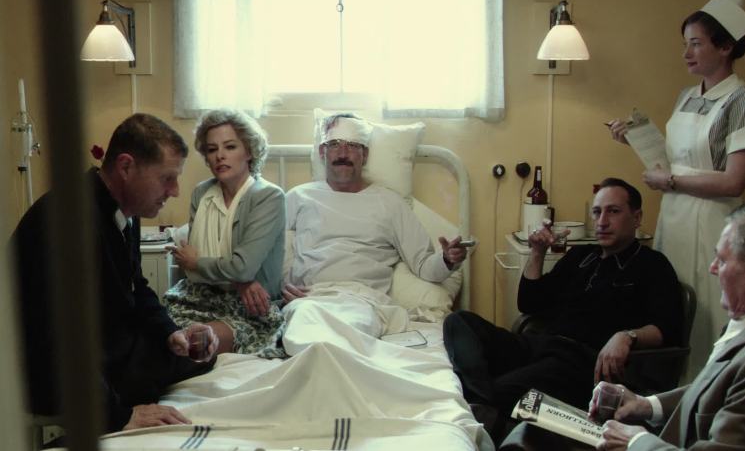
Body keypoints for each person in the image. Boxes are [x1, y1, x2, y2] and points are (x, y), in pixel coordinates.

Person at [12, 113, 219, 432]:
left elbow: (136, 285)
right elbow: (56, 337)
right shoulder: (68, 220)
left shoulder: (125, 211)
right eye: (167, 178)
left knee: (196, 355)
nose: (176, 191)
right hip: (48, 368)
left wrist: (170, 332)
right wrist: (119, 416)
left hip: (104, 347)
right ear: (126, 167)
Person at [443, 178, 682, 442]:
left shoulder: (652, 264)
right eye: (597, 212)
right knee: (458, 322)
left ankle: (485, 399)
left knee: (504, 388)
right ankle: (485, 400)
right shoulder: (581, 256)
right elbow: (530, 303)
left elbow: (667, 328)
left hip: (581, 363)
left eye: (613, 211)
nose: (602, 221)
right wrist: (537, 252)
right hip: (540, 345)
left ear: (636, 218)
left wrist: (627, 336)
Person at [607, 0, 745, 377]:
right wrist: (635, 140)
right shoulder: (687, 96)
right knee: (671, 302)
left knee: (708, 309)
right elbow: (675, 158)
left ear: (725, 47)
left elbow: (734, 180)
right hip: (674, 215)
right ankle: (666, 391)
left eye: (696, 44)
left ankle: (706, 391)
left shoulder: (744, 100)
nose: (686, 54)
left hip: (712, 219)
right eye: (686, 44)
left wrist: (671, 180)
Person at [592, 202, 745, 451]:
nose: (712, 268)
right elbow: (717, 390)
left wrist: (636, 442)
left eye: (722, 260)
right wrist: (646, 404)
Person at [280, 113, 467, 355]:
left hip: (362, 301)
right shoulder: (298, 197)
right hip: (310, 300)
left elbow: (423, 265)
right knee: (303, 336)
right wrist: (281, 286)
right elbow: (268, 252)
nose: (343, 153)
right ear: (322, 152)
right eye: (334, 144)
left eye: (353, 146)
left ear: (365, 155)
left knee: (344, 339)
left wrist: (447, 260)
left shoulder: (390, 203)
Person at [165, 109, 286, 358]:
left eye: (230, 147)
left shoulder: (268, 197)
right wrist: (240, 279)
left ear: (249, 151)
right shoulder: (201, 193)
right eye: (212, 149)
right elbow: (227, 270)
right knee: (156, 335)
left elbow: (241, 267)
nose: (220, 155)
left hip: (249, 307)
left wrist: (198, 262)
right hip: (196, 295)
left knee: (195, 345)